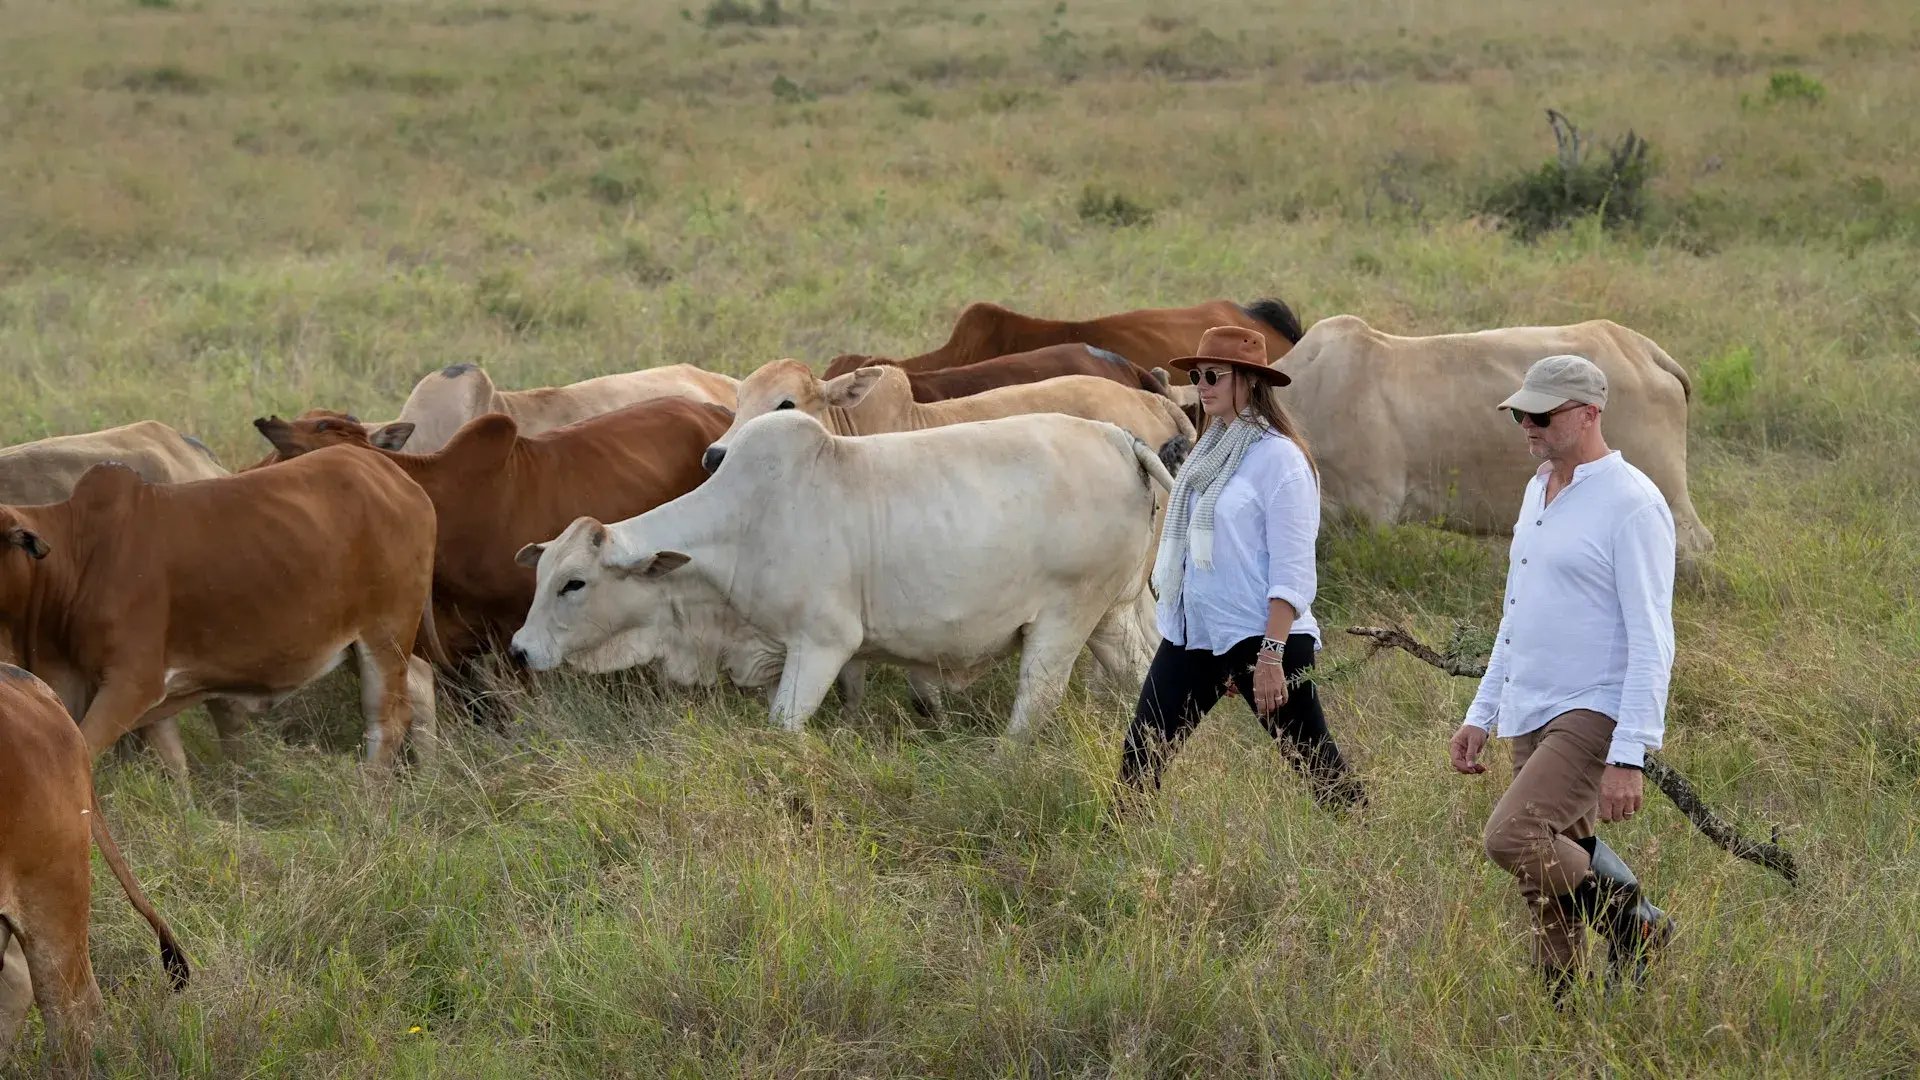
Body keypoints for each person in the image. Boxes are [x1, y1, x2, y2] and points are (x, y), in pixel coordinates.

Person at [1448, 353, 1678, 998]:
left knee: (1513, 836)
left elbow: (1653, 638)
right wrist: (1481, 711)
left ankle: (1636, 926)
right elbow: (1515, 613)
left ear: (1588, 414)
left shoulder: (1632, 503)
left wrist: (1629, 753)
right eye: (1521, 413)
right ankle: (1565, 1015)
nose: (1527, 425)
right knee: (1543, 880)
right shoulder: (1538, 487)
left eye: (1541, 415)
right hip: (1530, 703)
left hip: (1592, 705)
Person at [1116, 325, 1364, 809]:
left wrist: (1271, 657)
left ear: (1248, 381)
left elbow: (1293, 573)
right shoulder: (1207, 452)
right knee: (1140, 755)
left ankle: (1368, 856)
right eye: (1198, 375)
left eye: (1214, 376)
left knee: (1318, 768)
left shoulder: (1281, 460)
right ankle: (1115, 859)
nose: (1202, 385)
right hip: (1197, 633)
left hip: (1262, 637)